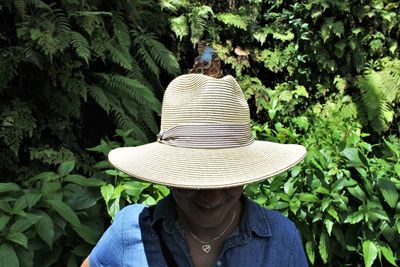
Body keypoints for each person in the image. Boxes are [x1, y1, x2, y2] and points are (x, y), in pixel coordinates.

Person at [81, 73, 309, 267]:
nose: (213, 196)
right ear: (167, 174)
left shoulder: (281, 241)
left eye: (227, 177)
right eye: (194, 181)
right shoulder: (128, 232)